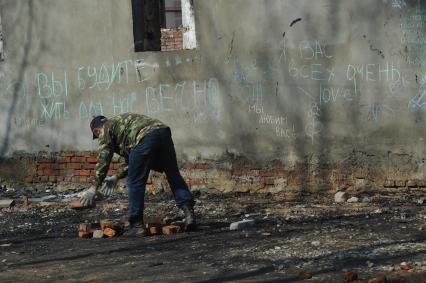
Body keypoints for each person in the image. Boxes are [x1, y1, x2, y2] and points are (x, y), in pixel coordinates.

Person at [80, 113, 196, 236]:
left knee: (135, 182)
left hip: (145, 137)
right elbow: (133, 159)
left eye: (97, 135)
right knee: (173, 173)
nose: (99, 138)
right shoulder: (121, 125)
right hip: (163, 132)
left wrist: (94, 187)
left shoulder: (106, 128)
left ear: (97, 130)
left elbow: (104, 156)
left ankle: (136, 225)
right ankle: (189, 214)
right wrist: (115, 177)